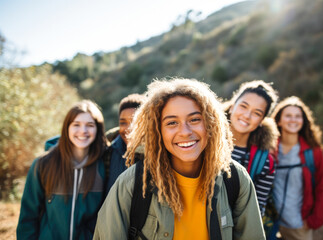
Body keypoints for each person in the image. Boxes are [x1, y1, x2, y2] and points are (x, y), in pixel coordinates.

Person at [93, 78, 265, 239]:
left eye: (195, 119)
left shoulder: (235, 178)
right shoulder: (132, 183)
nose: (185, 131)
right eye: (172, 123)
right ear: (157, 131)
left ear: (211, 123)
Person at [17, 100, 107, 240]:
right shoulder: (43, 164)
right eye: (76, 125)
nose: (83, 131)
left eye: (90, 125)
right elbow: (28, 217)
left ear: (98, 129)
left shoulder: (104, 165)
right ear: (67, 128)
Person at [271, 96, 323, 240]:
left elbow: (322, 188)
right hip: (271, 223)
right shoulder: (270, 149)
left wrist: (315, 220)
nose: (293, 119)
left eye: (298, 116)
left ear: (303, 121)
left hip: (298, 225)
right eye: (288, 116)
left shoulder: (313, 152)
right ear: (279, 120)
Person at [226, 80, 279, 216]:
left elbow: (257, 209)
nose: (247, 116)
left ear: (261, 121)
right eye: (243, 106)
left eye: (257, 113)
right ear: (232, 106)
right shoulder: (202, 140)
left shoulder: (264, 162)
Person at [104, 93, 145, 195]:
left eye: (135, 122)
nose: (128, 129)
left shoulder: (157, 155)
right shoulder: (108, 151)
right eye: (123, 123)